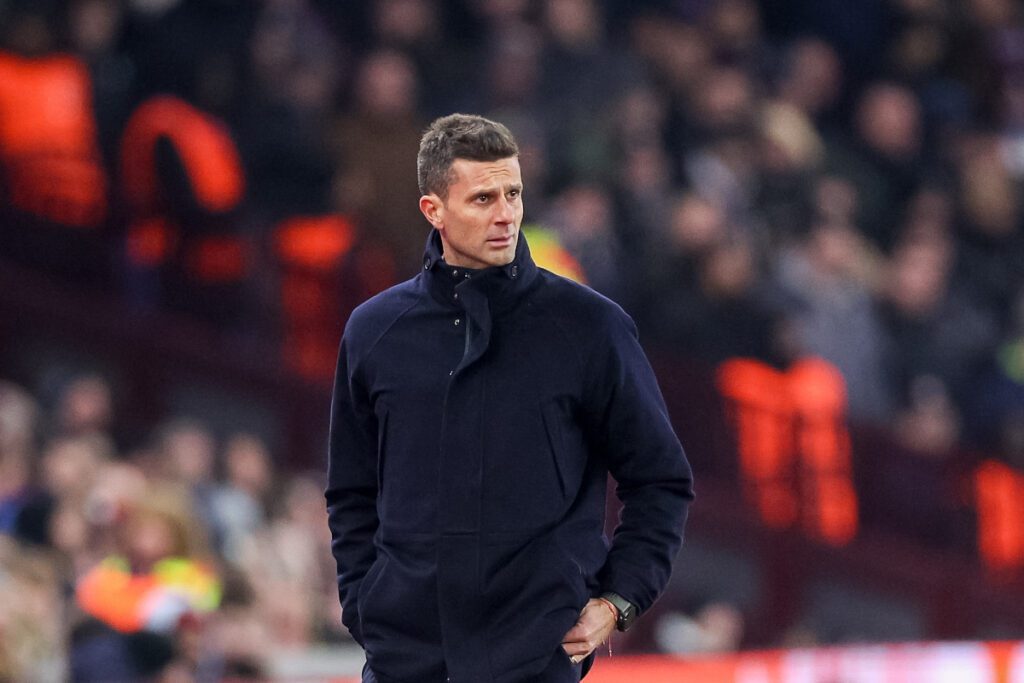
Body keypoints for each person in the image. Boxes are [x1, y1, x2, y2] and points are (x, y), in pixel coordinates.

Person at [325, 113, 694, 683]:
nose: (505, 215)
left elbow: (660, 480)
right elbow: (352, 491)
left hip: (535, 658)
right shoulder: (375, 331)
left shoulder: (590, 328)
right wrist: (366, 603)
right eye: (482, 199)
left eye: (513, 193)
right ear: (434, 210)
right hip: (403, 660)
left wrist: (618, 599)